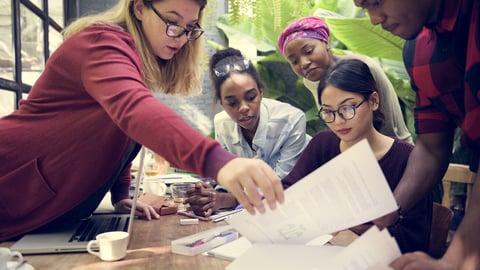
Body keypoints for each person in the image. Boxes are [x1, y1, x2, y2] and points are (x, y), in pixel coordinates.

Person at [0, 0, 284, 241]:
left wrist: (121, 193)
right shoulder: (99, 43)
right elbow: (134, 111)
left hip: (45, 208)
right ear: (138, 7)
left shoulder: (132, 62)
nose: (180, 37)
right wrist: (219, 161)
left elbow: (120, 130)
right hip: (11, 177)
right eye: (172, 22)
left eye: (189, 28)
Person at [352, 0, 480, 269]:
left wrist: (455, 259)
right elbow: (432, 148)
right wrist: (392, 207)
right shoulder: (419, 51)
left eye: (376, 2)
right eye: (364, 9)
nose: (374, 19)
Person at [282, 59, 432, 253]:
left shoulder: (407, 159)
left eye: (347, 108)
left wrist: (351, 229)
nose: (338, 121)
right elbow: (289, 190)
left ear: (374, 101)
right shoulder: (323, 144)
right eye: (328, 112)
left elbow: (415, 239)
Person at [186, 48, 310, 216]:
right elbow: (228, 179)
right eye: (231, 102)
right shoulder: (222, 123)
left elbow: (281, 186)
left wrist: (228, 200)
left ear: (261, 91)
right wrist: (210, 197)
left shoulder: (291, 120)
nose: (243, 108)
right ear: (221, 103)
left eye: (251, 97)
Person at [277, 16, 413, 144]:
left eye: (308, 51)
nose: (304, 63)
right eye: (294, 61)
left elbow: (388, 120)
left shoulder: (362, 67)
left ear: (325, 43)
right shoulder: (311, 81)